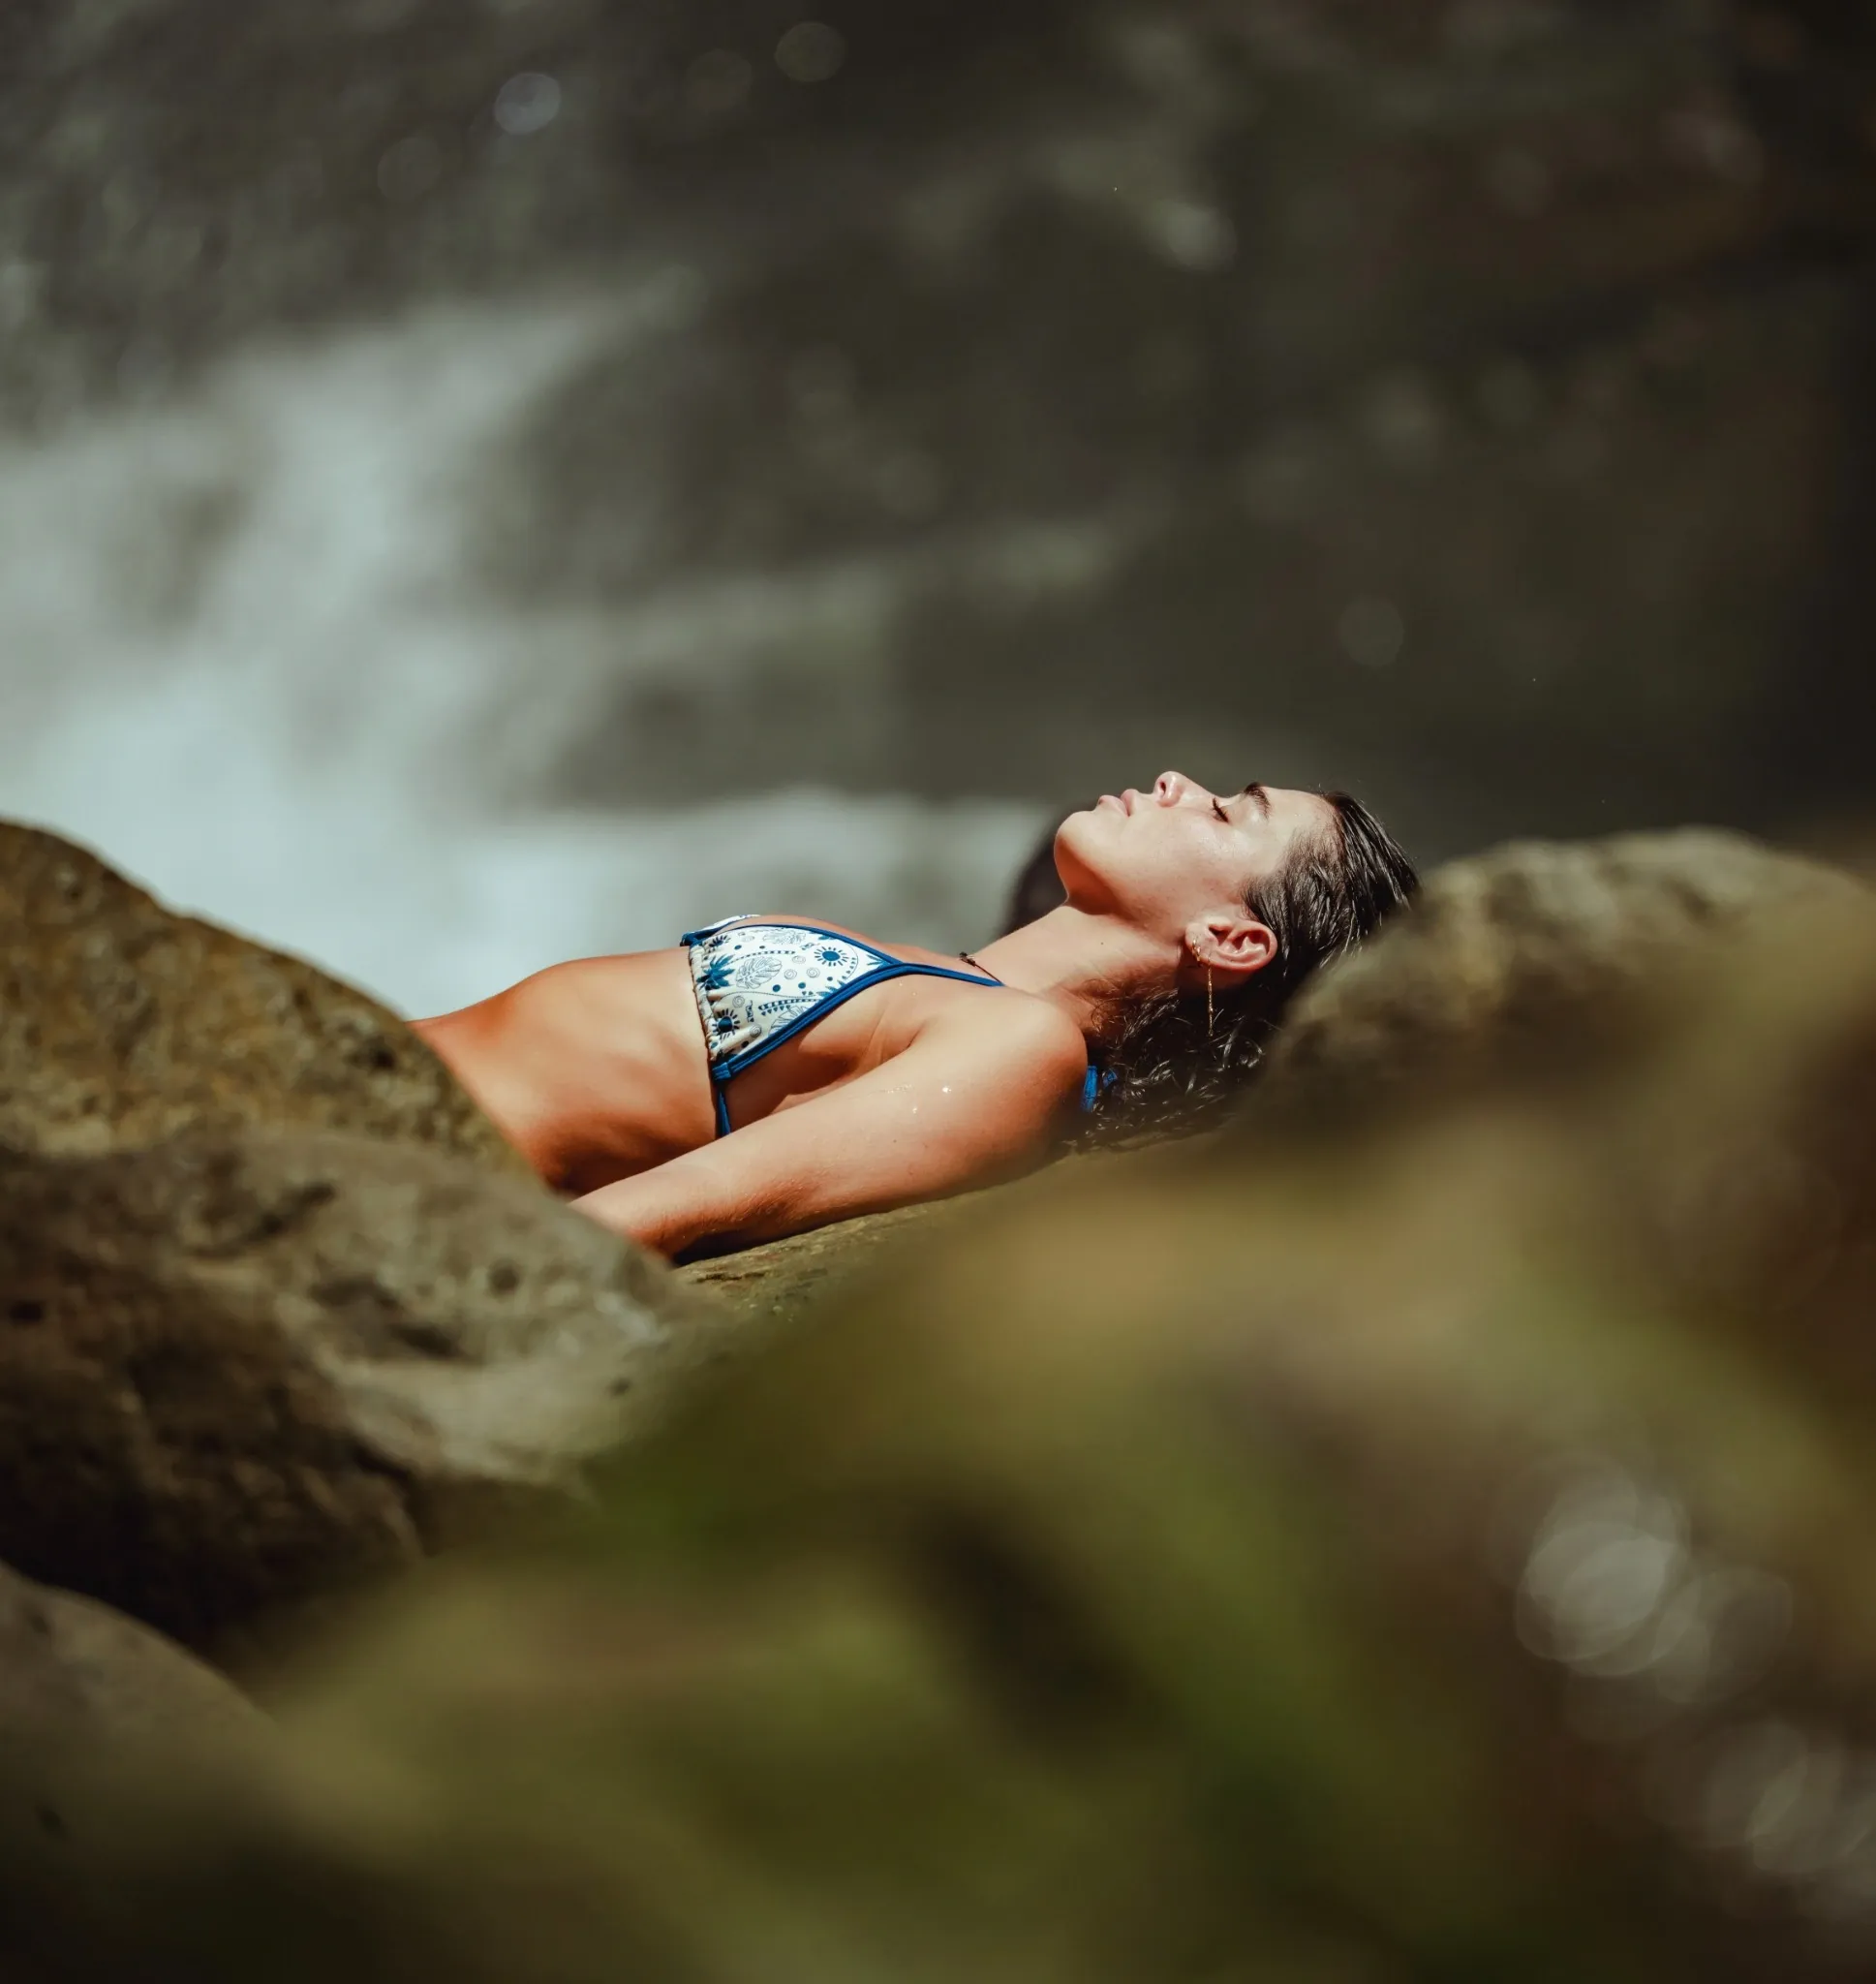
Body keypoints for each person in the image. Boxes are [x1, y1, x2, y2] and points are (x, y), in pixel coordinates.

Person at [412, 772, 1417, 1258]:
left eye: (1226, 811)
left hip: (410, 1167)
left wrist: (449, 1279)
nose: (1176, 783)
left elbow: (712, 1198)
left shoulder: (1022, 1052)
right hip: (377, 1103)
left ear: (1229, 939)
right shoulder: (960, 989)